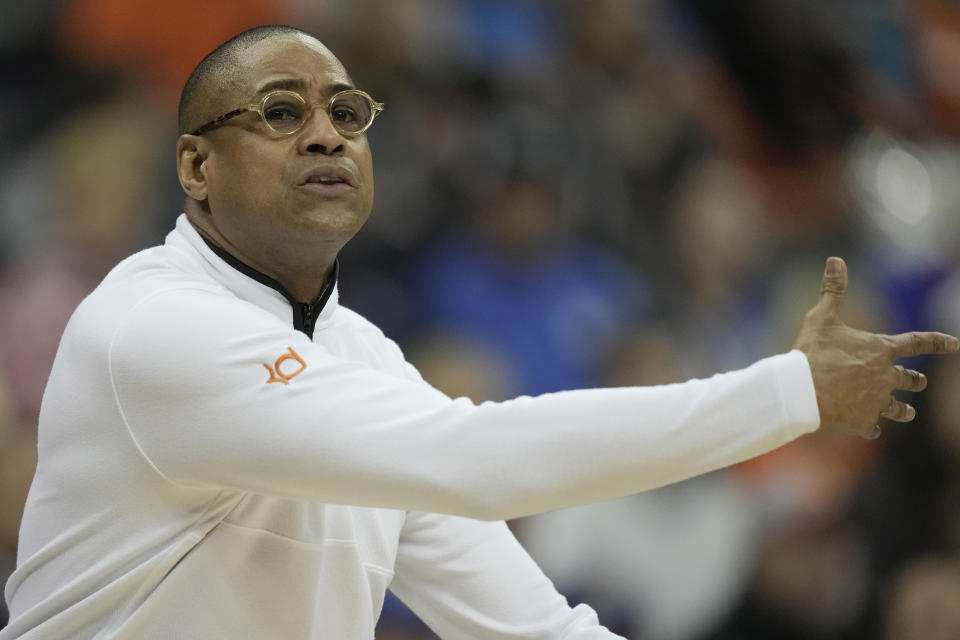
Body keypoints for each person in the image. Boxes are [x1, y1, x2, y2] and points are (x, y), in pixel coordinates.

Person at [1, 25, 956, 640]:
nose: (328, 135)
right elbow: (477, 459)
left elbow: (533, 627)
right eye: (281, 113)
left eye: (347, 111)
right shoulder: (155, 326)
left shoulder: (361, 361)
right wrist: (785, 394)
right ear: (195, 166)